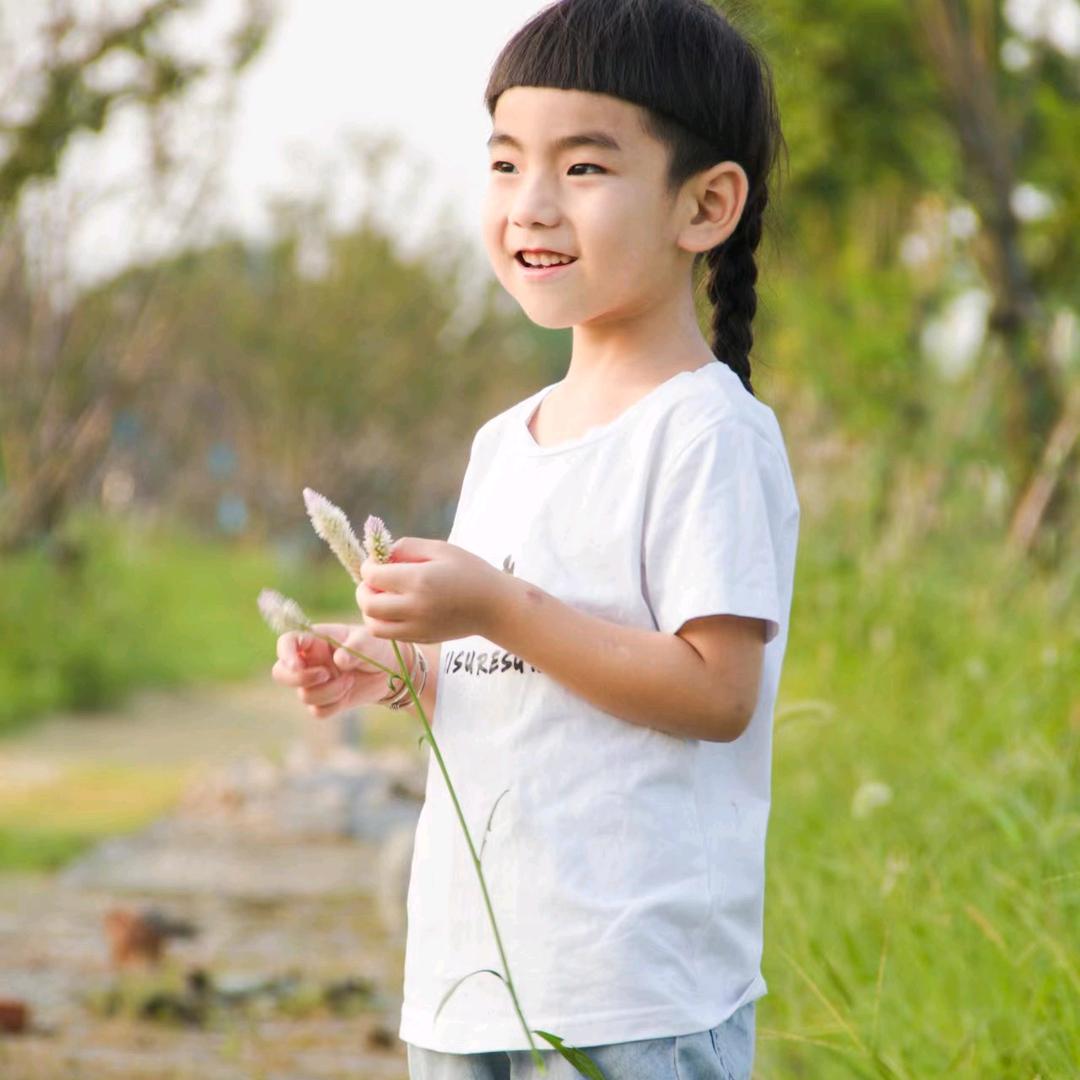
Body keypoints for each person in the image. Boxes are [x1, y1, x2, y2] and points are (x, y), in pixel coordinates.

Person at [271, 0, 799, 1075]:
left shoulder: (708, 433)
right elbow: (502, 668)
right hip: (473, 974)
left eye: (586, 168)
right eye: (506, 164)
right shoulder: (505, 443)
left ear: (706, 205)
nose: (533, 206)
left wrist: (499, 605)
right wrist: (396, 665)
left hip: (631, 990)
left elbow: (714, 692)